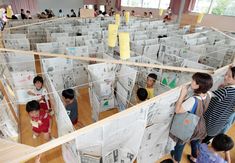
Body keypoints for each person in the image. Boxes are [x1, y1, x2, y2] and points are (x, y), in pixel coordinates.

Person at [171, 72, 213, 163]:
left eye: (194, 81)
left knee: (180, 146)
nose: (191, 82)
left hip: (190, 127)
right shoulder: (208, 94)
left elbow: (177, 110)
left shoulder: (193, 100)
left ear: (199, 86)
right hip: (200, 125)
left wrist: (182, 95)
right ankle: (194, 158)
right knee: (195, 142)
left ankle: (176, 160)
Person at [203, 66, 235, 144]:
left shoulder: (226, 91)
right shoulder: (229, 90)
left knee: (200, 137)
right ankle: (203, 145)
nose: (225, 77)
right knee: (207, 138)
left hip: (211, 120)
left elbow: (207, 94)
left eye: (229, 76)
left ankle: (196, 152)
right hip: (219, 122)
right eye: (226, 74)